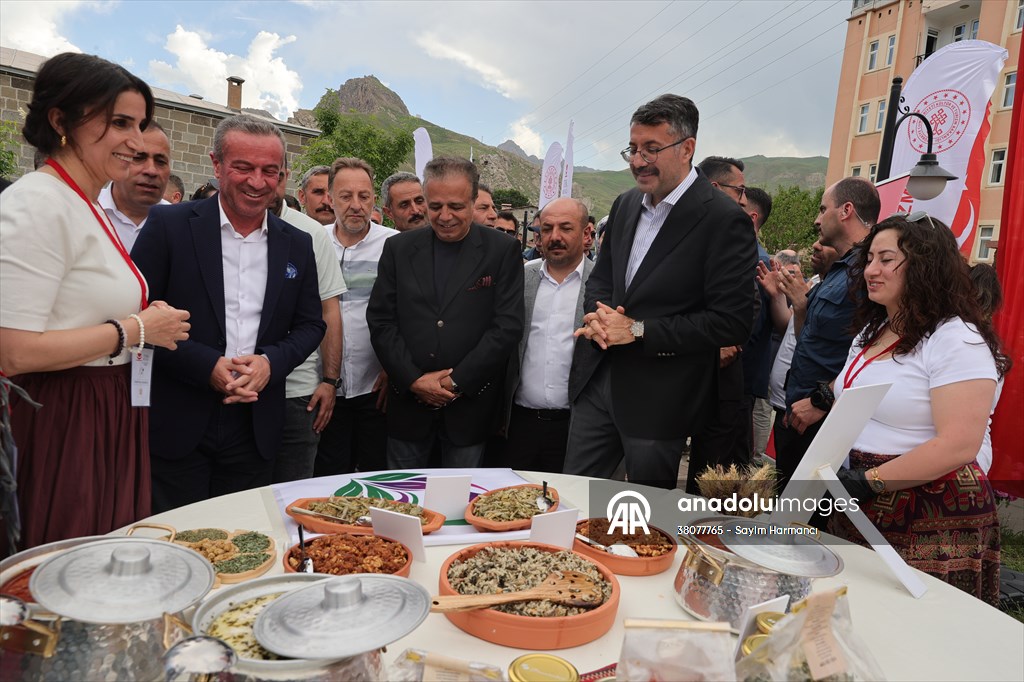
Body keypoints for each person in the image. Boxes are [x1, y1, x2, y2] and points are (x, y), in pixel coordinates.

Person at [0, 52, 190, 548]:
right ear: (62, 121)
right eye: (118, 123)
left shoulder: (82, 203)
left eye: (141, 123)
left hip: (106, 406)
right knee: (65, 554)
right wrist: (138, 330)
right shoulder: (38, 203)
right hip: (64, 415)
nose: (136, 140)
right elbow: (12, 350)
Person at [131, 114, 325, 512]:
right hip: (179, 421)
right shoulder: (168, 225)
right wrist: (207, 366)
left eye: (270, 171)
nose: (257, 182)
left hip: (256, 423)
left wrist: (271, 363)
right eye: (244, 167)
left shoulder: (298, 243)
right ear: (217, 165)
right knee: (175, 542)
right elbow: (138, 316)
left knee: (243, 539)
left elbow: (310, 325)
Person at [565, 94, 756, 489]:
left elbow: (731, 322)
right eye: (633, 149)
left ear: (687, 149)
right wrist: (598, 319)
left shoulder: (723, 220)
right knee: (576, 498)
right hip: (598, 382)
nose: (637, 161)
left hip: (660, 399)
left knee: (644, 519)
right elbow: (602, 279)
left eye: (652, 149)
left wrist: (636, 330)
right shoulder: (625, 204)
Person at [828, 214, 1009, 606]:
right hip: (864, 498)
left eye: (886, 259)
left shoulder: (956, 338)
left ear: (925, 266)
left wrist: (867, 481)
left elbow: (959, 444)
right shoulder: (874, 329)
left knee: (910, 631)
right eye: (870, 259)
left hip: (929, 511)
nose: (871, 271)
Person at [366, 156, 524, 468]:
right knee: (404, 502)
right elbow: (381, 320)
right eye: (435, 206)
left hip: (469, 409)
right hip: (408, 409)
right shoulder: (399, 249)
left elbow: (506, 326)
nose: (445, 216)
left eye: (456, 206)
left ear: (473, 200)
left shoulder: (501, 250)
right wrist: (413, 380)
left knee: (459, 504)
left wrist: (456, 382)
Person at [774, 177, 879, 491]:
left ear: (846, 210)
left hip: (827, 422)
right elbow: (813, 337)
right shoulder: (839, 270)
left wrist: (823, 399)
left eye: (823, 209)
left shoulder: (868, 273)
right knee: (788, 520)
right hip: (800, 415)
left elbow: (873, 352)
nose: (817, 219)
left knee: (807, 527)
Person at [315, 158, 397, 476]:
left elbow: (406, 313)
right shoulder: (312, 240)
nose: (356, 205)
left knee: (376, 476)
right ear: (330, 198)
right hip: (323, 387)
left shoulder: (393, 245)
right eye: (346, 196)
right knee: (328, 474)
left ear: (374, 198)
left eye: (364, 196)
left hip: (375, 388)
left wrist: (395, 369)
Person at [501, 197, 594, 473]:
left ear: (586, 233)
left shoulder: (604, 283)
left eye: (565, 228)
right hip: (520, 426)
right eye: (547, 229)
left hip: (577, 428)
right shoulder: (520, 278)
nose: (555, 237)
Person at [269, 163, 346, 483]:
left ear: (285, 178)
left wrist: (329, 381)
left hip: (298, 393)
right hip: (232, 387)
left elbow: (330, 310)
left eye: (272, 173)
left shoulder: (309, 232)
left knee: (293, 494)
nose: (261, 182)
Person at [98, 121, 172, 251]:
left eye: (160, 161)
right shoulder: (84, 209)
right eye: (138, 158)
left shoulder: (180, 224)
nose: (151, 170)